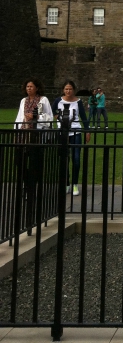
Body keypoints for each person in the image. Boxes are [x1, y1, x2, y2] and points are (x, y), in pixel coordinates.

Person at [15, 79, 54, 231]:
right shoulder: (23, 101)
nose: (29, 88)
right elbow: (19, 116)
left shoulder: (43, 100)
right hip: (23, 134)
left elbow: (49, 117)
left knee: (35, 163)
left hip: (36, 135)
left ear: (37, 88)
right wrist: (17, 130)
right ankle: (27, 184)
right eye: (27, 86)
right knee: (20, 161)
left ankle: (32, 187)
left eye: (31, 86)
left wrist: (36, 118)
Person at [52, 81, 89, 196]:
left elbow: (83, 116)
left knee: (76, 159)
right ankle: (66, 183)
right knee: (64, 159)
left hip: (75, 131)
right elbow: (51, 111)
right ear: (63, 90)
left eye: (70, 89)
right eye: (66, 89)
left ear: (74, 90)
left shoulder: (78, 102)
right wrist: (57, 116)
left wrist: (87, 130)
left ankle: (75, 184)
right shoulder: (58, 101)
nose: (68, 91)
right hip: (62, 132)